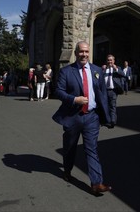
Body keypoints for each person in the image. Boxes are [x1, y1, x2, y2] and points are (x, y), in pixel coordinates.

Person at [52, 41, 113, 195]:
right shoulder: (67, 71)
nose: (84, 54)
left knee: (91, 149)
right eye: (81, 52)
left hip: (92, 117)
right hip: (73, 117)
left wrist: (106, 115)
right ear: (76, 52)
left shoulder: (97, 70)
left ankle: (96, 183)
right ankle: (67, 170)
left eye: (86, 51)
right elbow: (58, 91)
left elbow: (103, 94)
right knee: (70, 148)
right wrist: (74, 99)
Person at [103, 54, 125, 126]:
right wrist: (102, 70)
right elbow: (98, 77)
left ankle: (112, 121)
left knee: (112, 106)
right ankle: (107, 119)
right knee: (106, 106)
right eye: (108, 60)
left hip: (113, 91)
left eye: (111, 60)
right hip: (105, 91)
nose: (109, 62)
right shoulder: (104, 68)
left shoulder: (117, 68)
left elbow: (123, 74)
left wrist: (116, 69)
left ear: (113, 61)